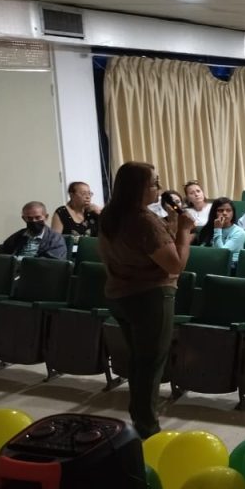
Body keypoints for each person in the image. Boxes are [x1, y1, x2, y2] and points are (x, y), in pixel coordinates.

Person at [98, 162, 195, 439]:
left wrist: (172, 226)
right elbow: (175, 265)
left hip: (119, 294)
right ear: (138, 188)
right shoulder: (143, 220)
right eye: (154, 183)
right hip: (150, 297)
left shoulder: (110, 215)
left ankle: (139, 414)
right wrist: (184, 231)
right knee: (151, 363)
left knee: (139, 360)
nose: (159, 188)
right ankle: (147, 426)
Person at [0, 201, 67, 259]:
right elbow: (2, 251)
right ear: (24, 219)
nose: (34, 221)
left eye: (38, 217)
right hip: (15, 268)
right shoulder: (19, 235)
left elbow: (52, 263)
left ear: (46, 217)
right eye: (29, 218)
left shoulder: (55, 239)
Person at [196, 197, 245, 267]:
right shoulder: (208, 229)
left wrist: (217, 229)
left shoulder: (239, 232)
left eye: (228, 210)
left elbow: (221, 255)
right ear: (214, 213)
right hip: (209, 263)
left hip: (230, 266)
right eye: (220, 210)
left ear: (233, 213)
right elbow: (201, 250)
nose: (224, 213)